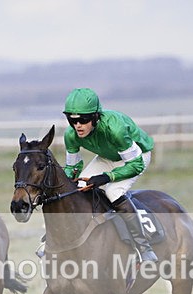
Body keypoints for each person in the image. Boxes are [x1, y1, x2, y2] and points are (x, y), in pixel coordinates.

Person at [62, 88, 158, 263]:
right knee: (79, 189)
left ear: (96, 117)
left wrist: (107, 177)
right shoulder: (71, 135)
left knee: (113, 192)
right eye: (72, 120)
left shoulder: (115, 129)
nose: (78, 126)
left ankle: (144, 247)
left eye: (83, 120)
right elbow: (72, 166)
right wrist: (65, 183)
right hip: (108, 156)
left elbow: (135, 165)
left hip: (136, 157)